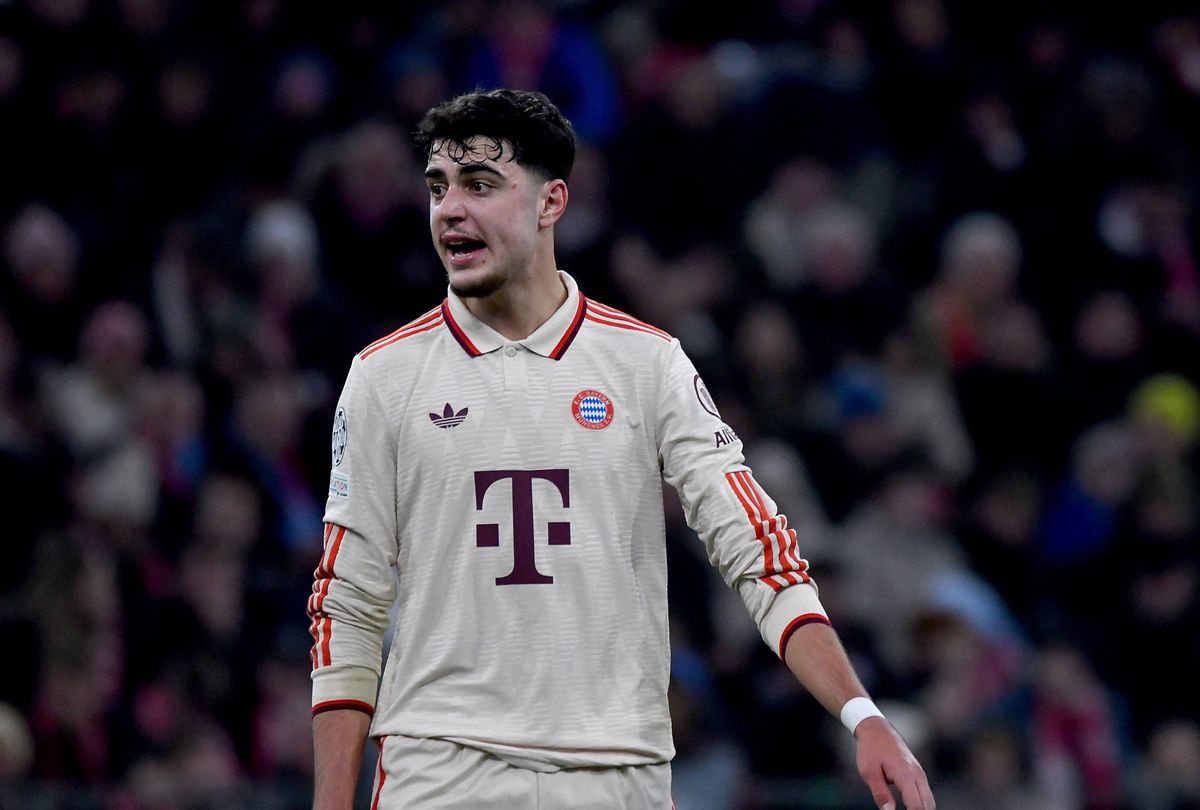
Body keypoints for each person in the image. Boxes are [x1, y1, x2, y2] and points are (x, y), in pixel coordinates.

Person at [308, 88, 935, 810]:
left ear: (551, 203)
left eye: (479, 185)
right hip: (440, 774)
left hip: (615, 773)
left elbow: (757, 549)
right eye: (437, 187)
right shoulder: (383, 377)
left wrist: (860, 712)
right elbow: (347, 602)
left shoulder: (647, 364)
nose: (449, 209)